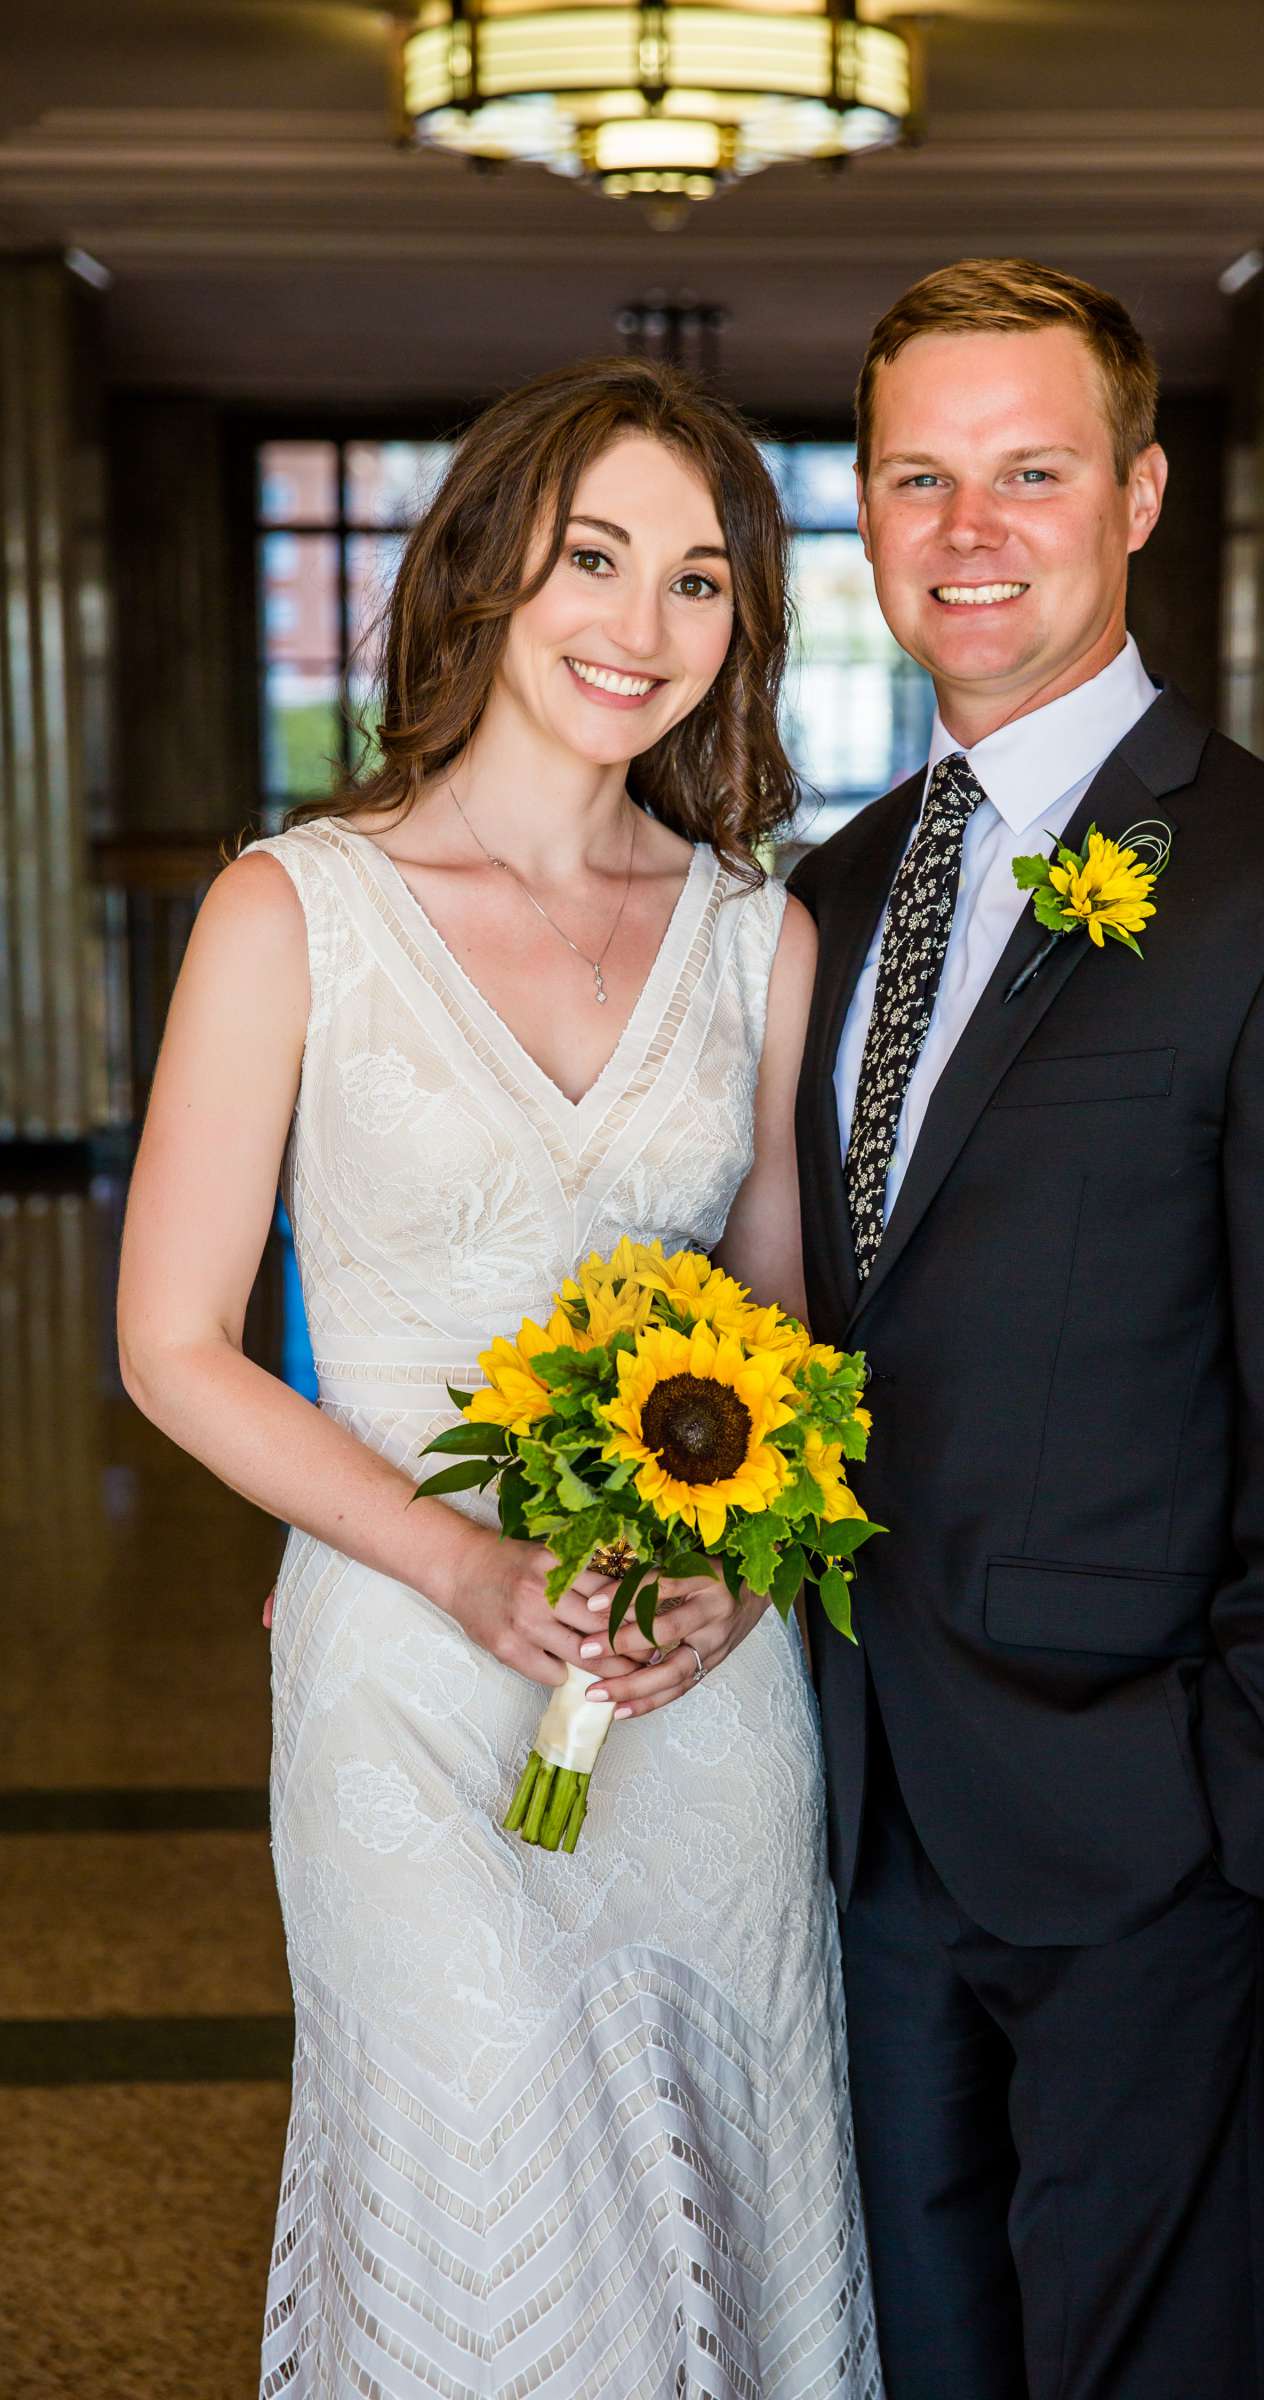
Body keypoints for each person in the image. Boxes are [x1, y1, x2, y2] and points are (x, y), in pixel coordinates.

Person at [117, 359, 881, 2398]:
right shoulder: (297, 912)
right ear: (481, 576)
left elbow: (779, 1335)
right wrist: (454, 1569)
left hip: (692, 1689)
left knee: (710, 2171)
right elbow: (169, 1343)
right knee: (488, 2192)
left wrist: (746, 1573)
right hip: (405, 1680)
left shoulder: (754, 940)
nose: (639, 627)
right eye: (592, 559)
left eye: (699, 581)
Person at [787, 258, 1264, 2399]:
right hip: (848, 1817)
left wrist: (1236, 1815)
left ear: (1139, 494)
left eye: (1028, 471)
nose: (965, 526)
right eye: (917, 475)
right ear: (869, 511)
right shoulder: (829, 891)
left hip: (1145, 1835)